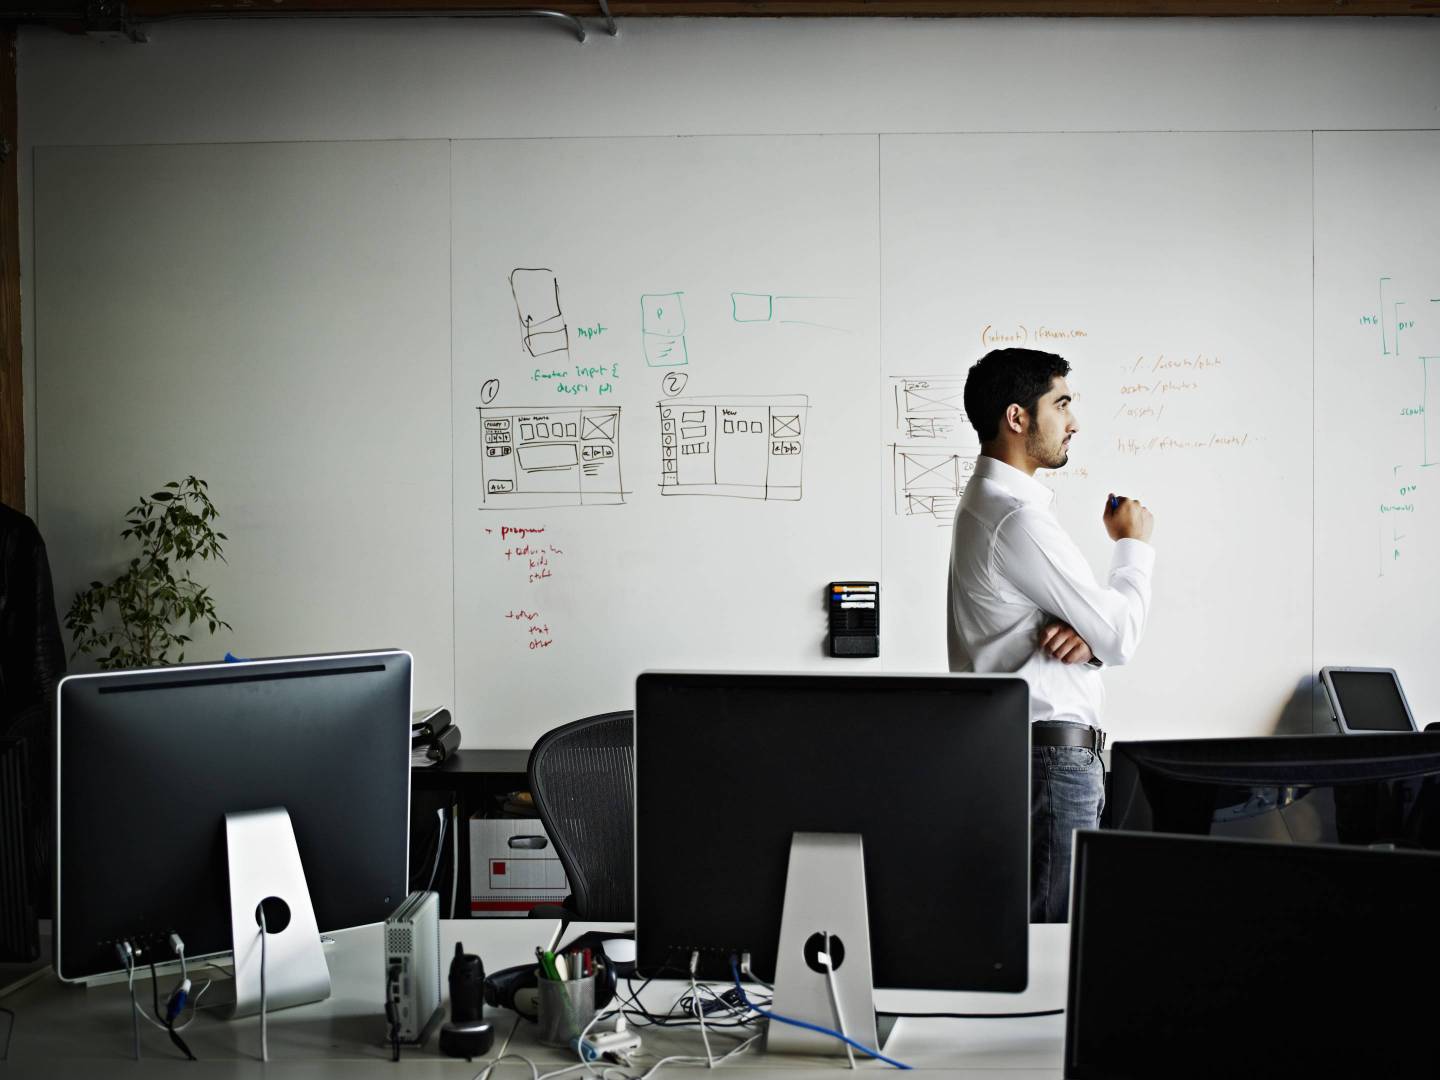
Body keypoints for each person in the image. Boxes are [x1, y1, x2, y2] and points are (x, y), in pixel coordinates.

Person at [947, 348, 1154, 922]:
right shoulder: (1016, 517)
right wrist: (1132, 546)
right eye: (1061, 405)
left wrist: (1089, 641)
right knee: (1051, 941)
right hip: (1051, 762)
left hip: (1027, 754)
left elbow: (1096, 636)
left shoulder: (991, 506)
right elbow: (1119, 635)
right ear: (1017, 418)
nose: (1073, 422)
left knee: (1039, 933)